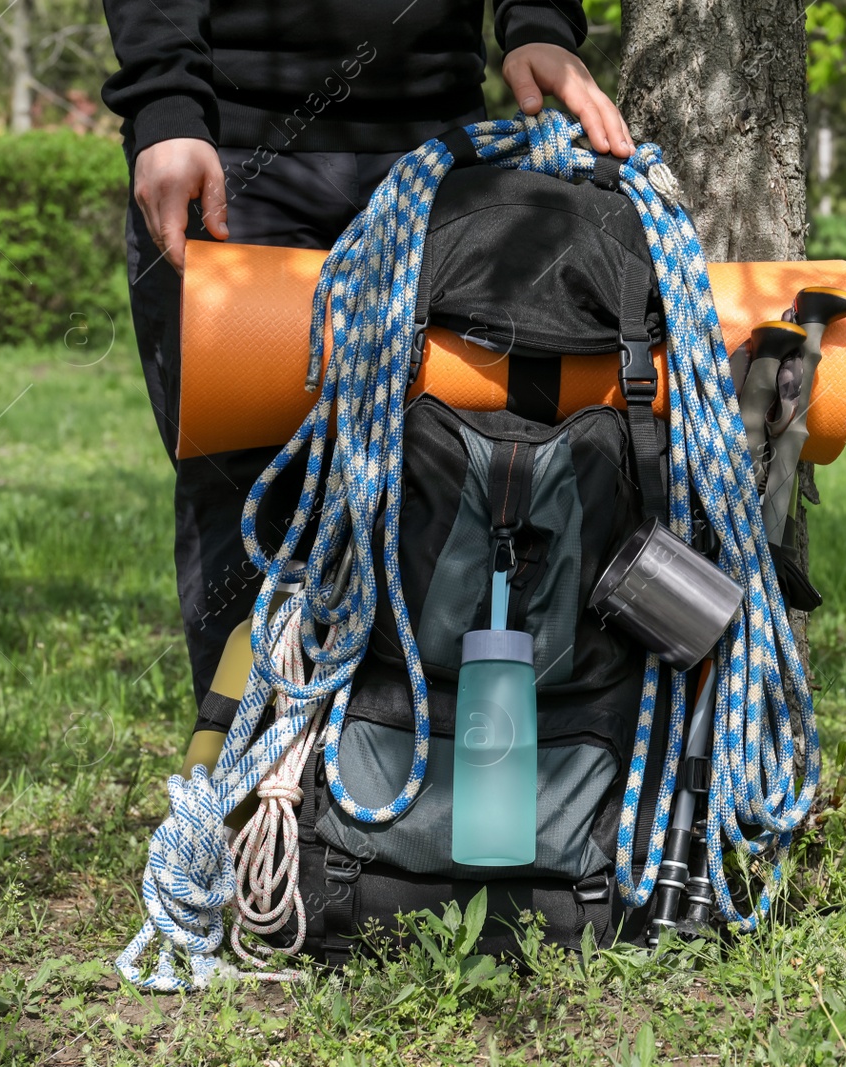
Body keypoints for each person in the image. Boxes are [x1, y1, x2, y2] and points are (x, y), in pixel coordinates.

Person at [100, 0, 633, 714]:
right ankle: (252, 804)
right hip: (234, 149)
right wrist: (163, 103)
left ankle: (397, 800)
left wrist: (538, 22)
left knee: (456, 479)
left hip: (437, 148)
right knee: (243, 498)